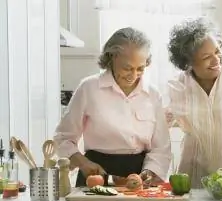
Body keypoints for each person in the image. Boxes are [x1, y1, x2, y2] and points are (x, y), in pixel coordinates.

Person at [54, 27, 172, 187]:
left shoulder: (152, 94)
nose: (134, 75)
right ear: (112, 58)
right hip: (96, 175)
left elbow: (161, 147)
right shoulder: (89, 88)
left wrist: (149, 173)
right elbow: (63, 137)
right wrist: (82, 163)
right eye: (127, 68)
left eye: (140, 69)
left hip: (139, 176)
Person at [166, 18, 222, 188]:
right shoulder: (176, 87)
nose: (216, 60)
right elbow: (157, 129)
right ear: (188, 62)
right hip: (192, 178)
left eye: (218, 50)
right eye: (207, 57)